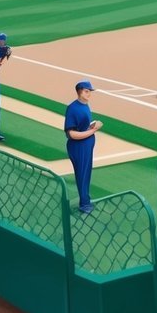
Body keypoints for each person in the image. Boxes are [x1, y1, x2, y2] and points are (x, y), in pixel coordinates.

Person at [65, 79, 102, 213]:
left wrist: (91, 125)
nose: (89, 94)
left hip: (86, 146)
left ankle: (86, 199)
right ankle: (84, 204)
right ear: (79, 92)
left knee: (86, 174)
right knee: (82, 174)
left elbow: (82, 127)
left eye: (90, 91)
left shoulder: (85, 105)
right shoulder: (73, 108)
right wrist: (93, 130)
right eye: (87, 91)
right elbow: (72, 134)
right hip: (78, 147)